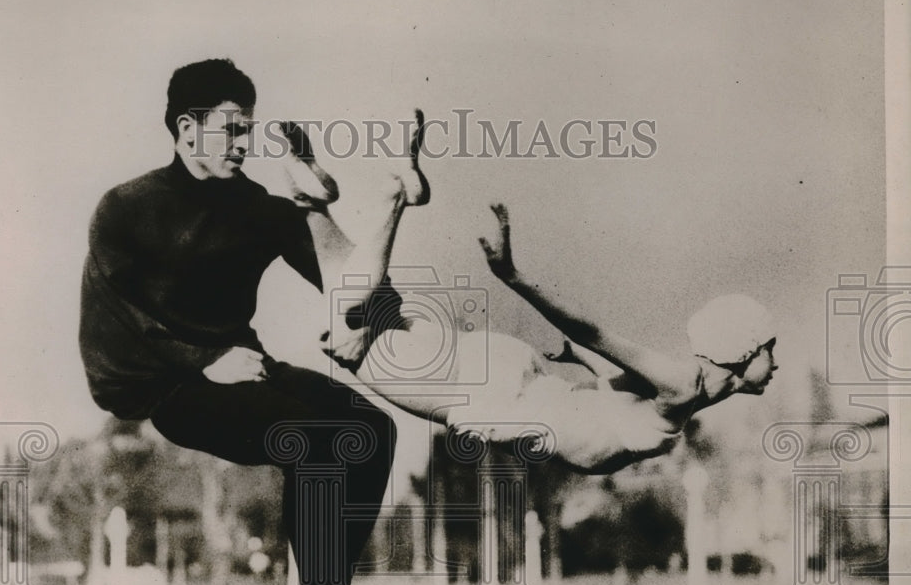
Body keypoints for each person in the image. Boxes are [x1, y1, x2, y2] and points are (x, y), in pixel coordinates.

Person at [79, 58, 416, 585]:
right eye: (231, 129)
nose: (244, 143)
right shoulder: (124, 207)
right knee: (317, 440)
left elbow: (351, 283)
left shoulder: (256, 206)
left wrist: (320, 207)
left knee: (371, 429)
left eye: (249, 129)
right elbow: (118, 325)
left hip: (244, 368)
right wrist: (202, 362)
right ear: (188, 129)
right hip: (171, 385)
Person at [307, 133, 777, 475]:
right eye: (768, 348)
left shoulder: (683, 392)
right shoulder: (683, 384)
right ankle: (393, 197)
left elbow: (609, 388)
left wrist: (577, 357)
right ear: (742, 348)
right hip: (502, 396)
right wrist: (515, 279)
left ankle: (313, 203)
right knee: (355, 333)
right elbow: (593, 331)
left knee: (375, 314)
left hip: (513, 383)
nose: (774, 364)